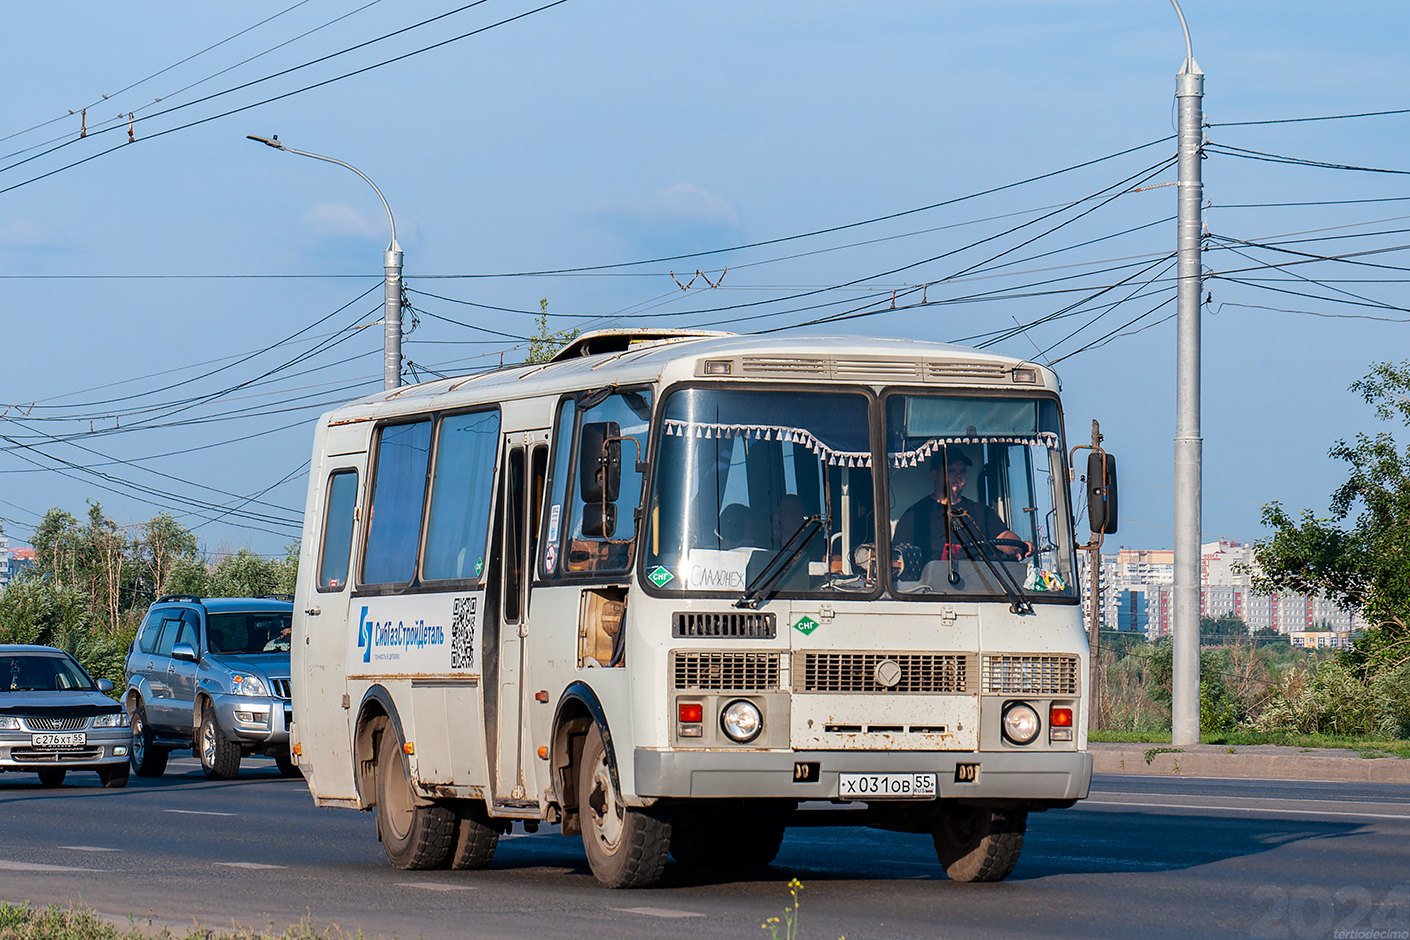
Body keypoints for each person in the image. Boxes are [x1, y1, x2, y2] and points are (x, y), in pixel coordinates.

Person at [893, 449, 1032, 565]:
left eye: (962, 471)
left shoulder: (981, 512)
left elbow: (1003, 536)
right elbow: (898, 558)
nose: (958, 476)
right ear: (935, 475)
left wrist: (1018, 546)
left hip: (981, 585)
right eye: (951, 470)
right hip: (931, 588)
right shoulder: (915, 516)